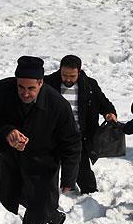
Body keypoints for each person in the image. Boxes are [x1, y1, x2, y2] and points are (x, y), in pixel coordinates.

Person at [0, 56, 81, 224]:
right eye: (20, 87)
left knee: (36, 217)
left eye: (31, 88)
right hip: (11, 159)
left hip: (43, 163)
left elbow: (71, 142)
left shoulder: (57, 105)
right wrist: (7, 131)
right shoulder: (1, 92)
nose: (25, 93)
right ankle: (51, 214)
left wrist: (68, 178)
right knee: (9, 196)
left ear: (41, 83)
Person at [44, 55, 117, 194]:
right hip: (52, 135)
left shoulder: (89, 85)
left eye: (72, 76)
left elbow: (104, 104)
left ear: (79, 71)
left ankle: (90, 195)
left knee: (82, 168)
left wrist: (109, 113)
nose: (67, 79)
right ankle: (48, 194)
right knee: (48, 169)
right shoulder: (48, 83)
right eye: (64, 75)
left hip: (78, 136)